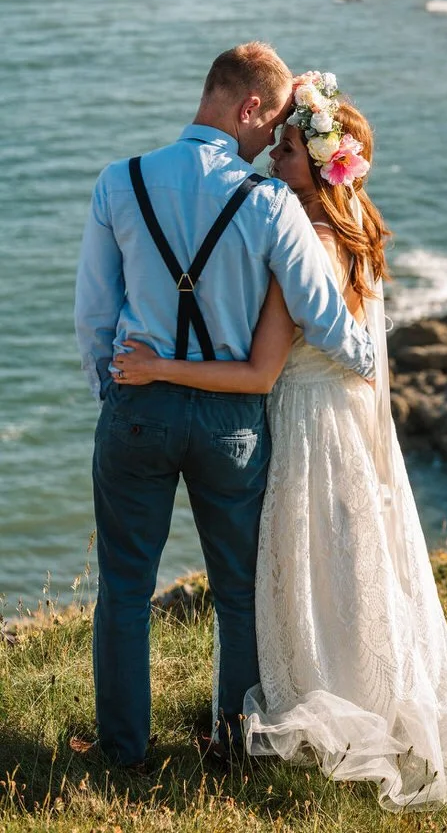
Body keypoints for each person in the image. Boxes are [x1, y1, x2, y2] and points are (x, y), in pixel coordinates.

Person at [115, 73, 447, 810]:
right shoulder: (357, 235)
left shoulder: (309, 245)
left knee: (304, 569)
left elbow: (261, 374)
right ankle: (362, 694)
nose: (270, 163)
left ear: (321, 166)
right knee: (348, 569)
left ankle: (308, 713)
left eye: (287, 151)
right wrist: (296, 98)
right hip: (347, 425)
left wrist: (157, 364)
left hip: (303, 428)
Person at [74, 46, 374, 771]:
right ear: (246, 106)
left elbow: (93, 314)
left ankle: (123, 754)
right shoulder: (269, 203)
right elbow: (320, 312)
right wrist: (371, 366)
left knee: (123, 589)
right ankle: (230, 746)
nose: (272, 141)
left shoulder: (122, 181)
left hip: (139, 405)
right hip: (229, 423)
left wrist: (113, 393)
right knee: (237, 592)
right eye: (270, 121)